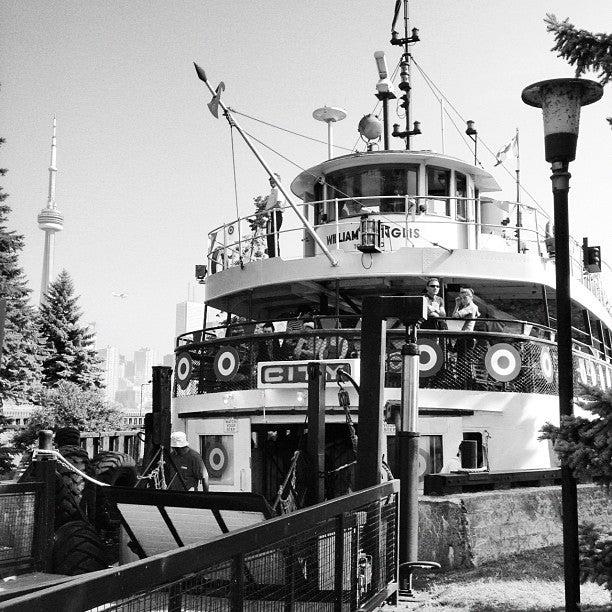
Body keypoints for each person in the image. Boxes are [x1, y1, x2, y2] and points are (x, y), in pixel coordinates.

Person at [265, 174, 283, 258]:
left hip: (276, 214)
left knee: (273, 236)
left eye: (273, 179)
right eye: (270, 179)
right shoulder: (273, 191)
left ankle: (275, 256)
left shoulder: (278, 190)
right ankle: (272, 256)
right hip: (271, 216)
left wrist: (268, 210)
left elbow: (279, 204)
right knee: (270, 237)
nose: (271, 181)